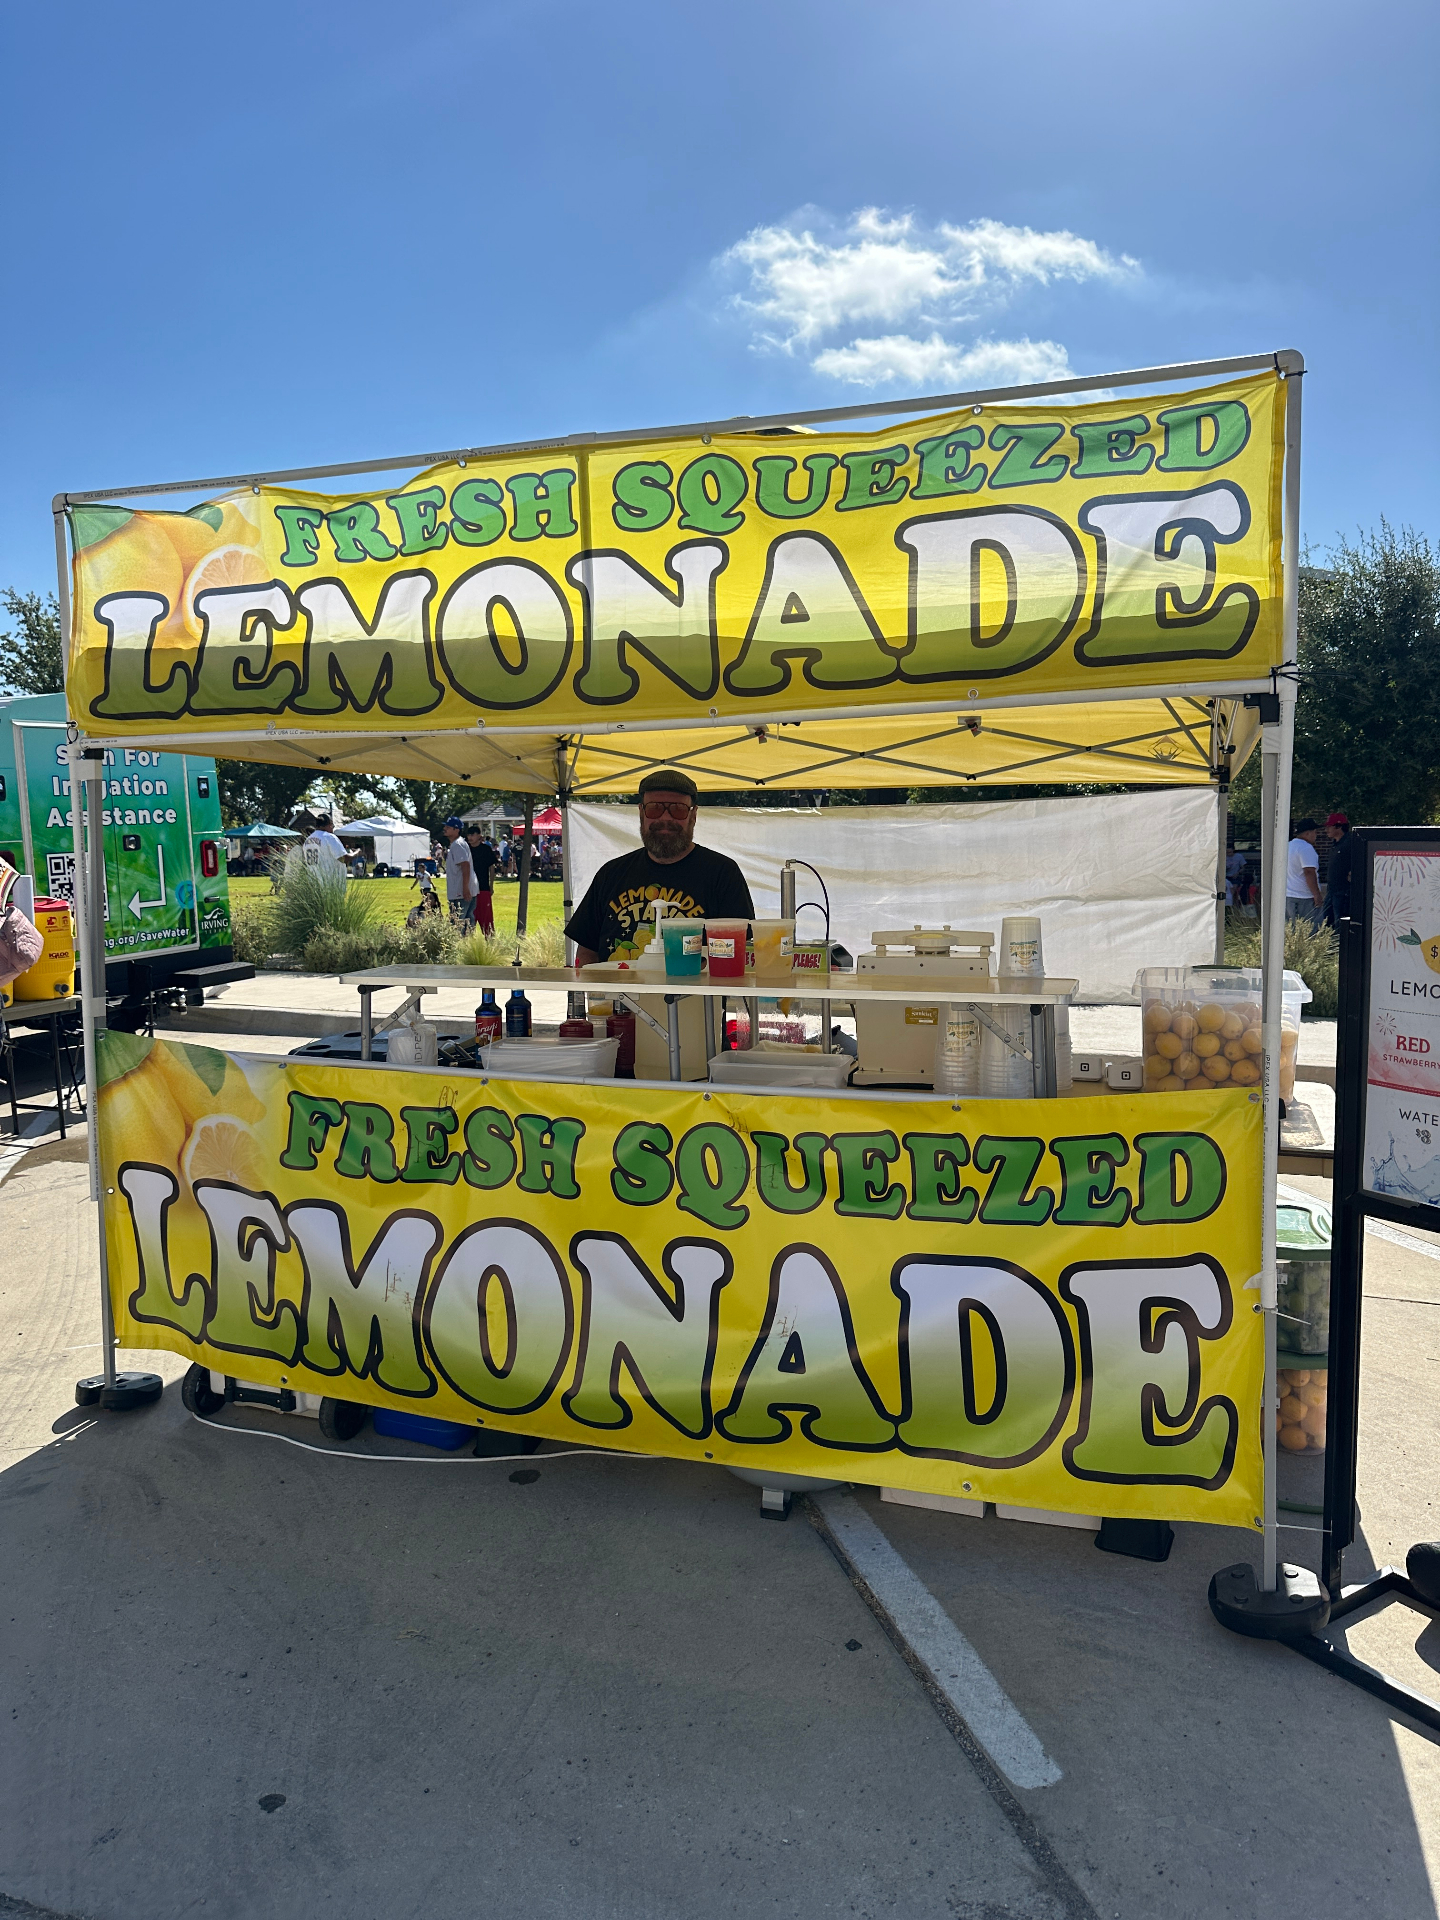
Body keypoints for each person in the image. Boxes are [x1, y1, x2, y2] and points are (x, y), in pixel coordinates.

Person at [565, 768, 754, 964]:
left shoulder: (722, 873)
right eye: (655, 808)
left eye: (678, 809)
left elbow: (739, 953)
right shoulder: (611, 874)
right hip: (620, 994)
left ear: (693, 815)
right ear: (641, 813)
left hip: (693, 994)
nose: (665, 818)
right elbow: (587, 953)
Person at [1286, 819, 1322, 926]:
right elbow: (1309, 872)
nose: (1316, 836)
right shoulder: (1306, 848)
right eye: (1315, 832)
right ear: (1307, 833)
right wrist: (1316, 894)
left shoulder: (1288, 846)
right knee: (1310, 931)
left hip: (1288, 895)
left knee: (1291, 932)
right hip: (1305, 897)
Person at [441, 816, 475, 922]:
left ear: (456, 830)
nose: (445, 828)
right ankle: (469, 939)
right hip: (463, 890)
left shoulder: (457, 845)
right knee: (467, 924)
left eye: (448, 827)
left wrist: (465, 888)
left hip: (459, 892)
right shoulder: (458, 844)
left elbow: (465, 866)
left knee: (456, 924)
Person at [465, 826, 498, 935]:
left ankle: (490, 942)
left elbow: (491, 868)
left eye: (472, 835)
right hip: (468, 889)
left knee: (486, 918)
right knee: (469, 918)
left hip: (483, 887)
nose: (470, 837)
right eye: (469, 835)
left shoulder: (486, 849)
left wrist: (491, 886)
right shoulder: (465, 850)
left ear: (479, 836)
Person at [1324, 812, 1355, 924]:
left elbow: (1358, 860)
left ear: (1339, 826)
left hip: (1343, 892)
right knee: (1327, 922)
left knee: (1340, 923)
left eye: (1329, 826)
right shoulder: (1335, 844)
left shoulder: (1350, 842)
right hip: (1331, 890)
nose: (1327, 830)